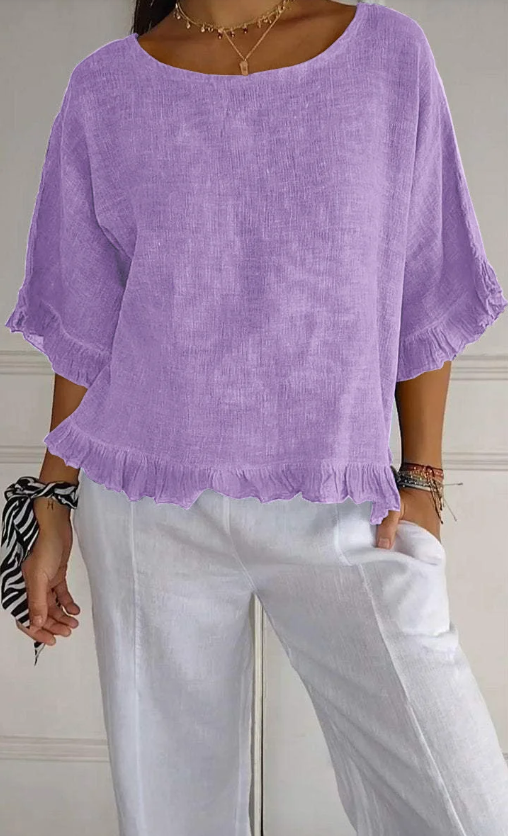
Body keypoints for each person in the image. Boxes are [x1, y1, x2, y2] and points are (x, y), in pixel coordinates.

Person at [3, 1, 508, 834]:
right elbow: (86, 332)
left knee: (465, 810)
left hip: (342, 503)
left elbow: (426, 278)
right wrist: (51, 500)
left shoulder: (387, 54)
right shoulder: (105, 89)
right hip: (147, 511)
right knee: (172, 815)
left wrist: (422, 478)